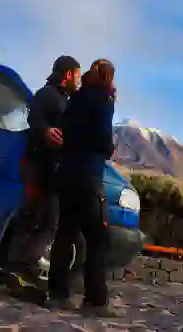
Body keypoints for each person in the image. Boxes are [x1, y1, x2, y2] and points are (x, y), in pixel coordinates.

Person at [47, 59, 124, 317]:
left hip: (66, 172)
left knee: (65, 232)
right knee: (97, 238)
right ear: (108, 78)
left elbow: (69, 133)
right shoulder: (103, 100)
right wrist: (109, 148)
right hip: (87, 175)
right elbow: (101, 137)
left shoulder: (76, 99)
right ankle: (95, 300)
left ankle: (57, 294)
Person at [0, 56, 81, 280]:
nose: (79, 81)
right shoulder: (47, 94)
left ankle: (23, 261)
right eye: (77, 75)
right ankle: (18, 262)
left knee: (47, 217)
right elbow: (33, 116)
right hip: (37, 163)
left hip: (51, 167)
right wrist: (45, 132)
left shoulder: (65, 100)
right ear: (67, 75)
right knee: (33, 213)